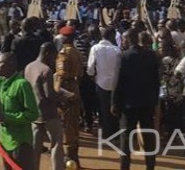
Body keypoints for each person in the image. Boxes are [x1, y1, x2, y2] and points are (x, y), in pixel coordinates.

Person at [112, 30, 160, 170]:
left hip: (128, 105)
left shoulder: (123, 56)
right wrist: (154, 100)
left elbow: (118, 81)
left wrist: (114, 102)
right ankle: (150, 167)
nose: (123, 41)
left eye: (124, 39)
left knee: (126, 141)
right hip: (147, 104)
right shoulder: (151, 56)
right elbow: (156, 81)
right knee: (148, 139)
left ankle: (124, 167)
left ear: (129, 40)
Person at [26, 42, 75, 170]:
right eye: (54, 56)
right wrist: (66, 97)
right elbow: (50, 95)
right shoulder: (46, 70)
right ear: (47, 54)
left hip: (35, 113)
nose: (55, 59)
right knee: (56, 145)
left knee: (35, 148)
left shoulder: (29, 67)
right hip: (50, 114)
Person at [54, 24, 84, 164]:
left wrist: (57, 92)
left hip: (65, 90)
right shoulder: (77, 52)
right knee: (74, 123)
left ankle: (69, 157)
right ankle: (75, 156)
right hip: (75, 88)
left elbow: (60, 75)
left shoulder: (63, 53)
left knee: (66, 125)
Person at [87, 26, 121, 141]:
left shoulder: (95, 48)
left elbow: (90, 67)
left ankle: (107, 132)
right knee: (114, 107)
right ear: (112, 36)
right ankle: (116, 132)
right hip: (115, 84)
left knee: (103, 108)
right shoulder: (116, 50)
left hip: (101, 82)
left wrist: (93, 76)